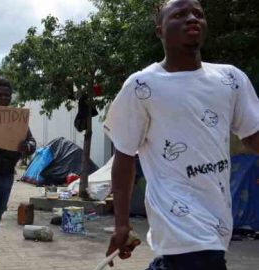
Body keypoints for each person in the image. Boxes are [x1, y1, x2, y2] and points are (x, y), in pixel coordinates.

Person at [104, 1, 259, 269]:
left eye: (198, 14)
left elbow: (253, 135)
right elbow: (125, 156)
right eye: (179, 15)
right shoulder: (142, 86)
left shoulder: (230, 79)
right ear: (159, 31)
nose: (191, 19)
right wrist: (121, 224)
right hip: (181, 229)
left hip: (217, 224)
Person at [0, 78, 36, 270]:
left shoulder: (18, 119)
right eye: (0, 94)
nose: (3, 97)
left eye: (7, 95)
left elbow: (32, 142)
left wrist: (28, 146)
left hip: (7, 175)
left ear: (11, 97)